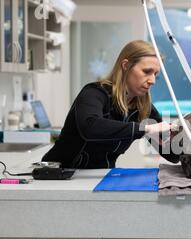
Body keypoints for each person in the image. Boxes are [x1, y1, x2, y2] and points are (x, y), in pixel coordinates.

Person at [42, 40, 179, 168]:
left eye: (156, 74)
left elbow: (172, 156)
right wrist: (146, 129)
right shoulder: (94, 93)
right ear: (126, 65)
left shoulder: (144, 109)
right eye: (146, 72)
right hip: (59, 174)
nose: (152, 80)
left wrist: (181, 136)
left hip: (101, 176)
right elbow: (90, 127)